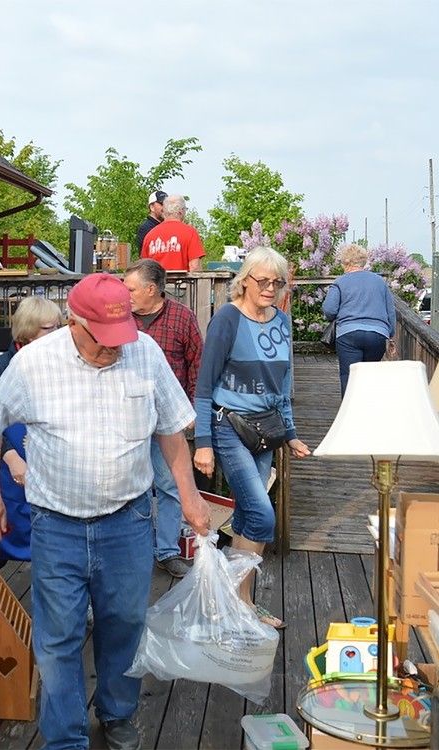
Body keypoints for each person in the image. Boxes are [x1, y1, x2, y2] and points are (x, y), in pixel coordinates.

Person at [0, 274, 211, 750]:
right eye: (103, 341)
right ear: (74, 323)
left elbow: (170, 429)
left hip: (128, 522)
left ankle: (118, 712)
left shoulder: (144, 352)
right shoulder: (34, 362)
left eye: (119, 338)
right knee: (57, 638)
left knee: (124, 624)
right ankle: (65, 739)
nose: (113, 349)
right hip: (55, 525)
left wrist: (188, 494)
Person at [193, 246, 311, 630]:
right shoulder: (227, 319)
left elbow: (284, 384)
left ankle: (236, 603)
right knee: (262, 514)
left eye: (277, 282)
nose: (270, 288)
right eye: (263, 280)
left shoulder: (281, 321)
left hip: (267, 431)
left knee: (247, 514)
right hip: (230, 425)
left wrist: (291, 434)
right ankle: (236, 600)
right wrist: (205, 442)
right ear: (244, 280)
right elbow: (205, 386)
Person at [0, 297, 64, 565]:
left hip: (39, 461)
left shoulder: (56, 360)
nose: (57, 334)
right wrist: (10, 456)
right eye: (48, 328)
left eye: (57, 327)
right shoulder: (5, 367)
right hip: (5, 466)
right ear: (28, 331)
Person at [124, 258, 203, 578]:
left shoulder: (183, 318)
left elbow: (198, 363)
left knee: (170, 485)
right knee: (131, 486)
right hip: (128, 417)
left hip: (168, 418)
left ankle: (167, 551)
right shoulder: (121, 318)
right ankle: (135, 550)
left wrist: (194, 411)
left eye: (130, 288)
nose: (124, 293)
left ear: (151, 289)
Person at [322, 243, 396, 396]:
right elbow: (390, 311)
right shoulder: (379, 282)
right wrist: (391, 334)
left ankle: (349, 416)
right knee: (369, 377)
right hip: (377, 334)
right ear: (363, 262)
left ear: (346, 263)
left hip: (348, 334)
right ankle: (368, 413)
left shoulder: (340, 282)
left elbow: (329, 310)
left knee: (349, 377)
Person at [141, 195, 205, 272]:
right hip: (182, 283)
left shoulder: (150, 235)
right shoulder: (190, 232)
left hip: (157, 283)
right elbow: (194, 266)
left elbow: (144, 269)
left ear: (164, 211)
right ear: (181, 211)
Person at [135, 190, 167, 258]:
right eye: (162, 204)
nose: (165, 208)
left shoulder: (166, 226)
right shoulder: (146, 228)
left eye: (167, 205)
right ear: (152, 207)